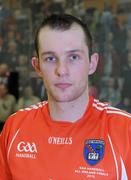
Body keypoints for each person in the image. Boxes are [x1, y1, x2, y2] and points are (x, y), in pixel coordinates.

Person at [0, 13, 131, 180]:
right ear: (37, 66)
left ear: (92, 63)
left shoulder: (125, 131)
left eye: (73, 57)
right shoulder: (15, 127)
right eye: (50, 58)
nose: (61, 70)